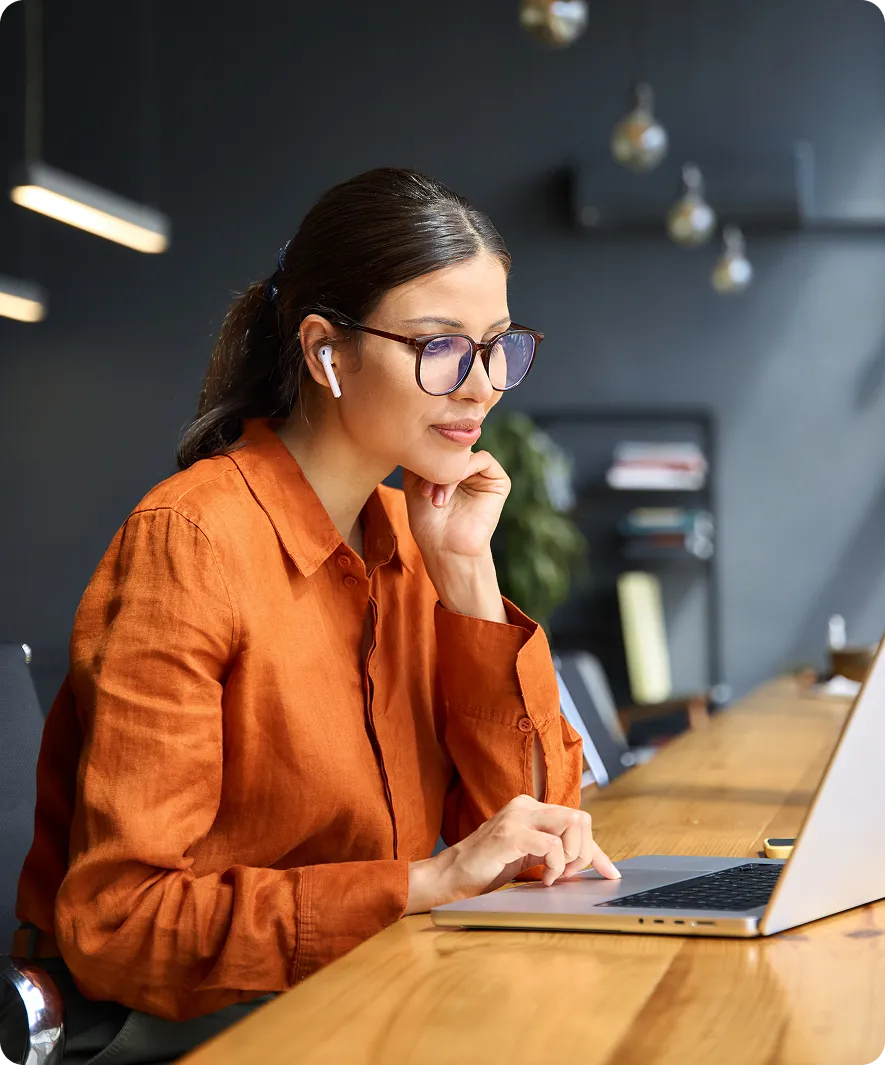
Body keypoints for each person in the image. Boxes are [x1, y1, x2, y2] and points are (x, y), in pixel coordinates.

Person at [11, 168, 619, 1063]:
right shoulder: (192, 543)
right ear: (326, 351)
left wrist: (466, 573)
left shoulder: (414, 544)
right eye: (440, 346)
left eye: (498, 345)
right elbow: (121, 924)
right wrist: (423, 881)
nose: (484, 386)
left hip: (377, 994)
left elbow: (534, 834)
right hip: (214, 1026)